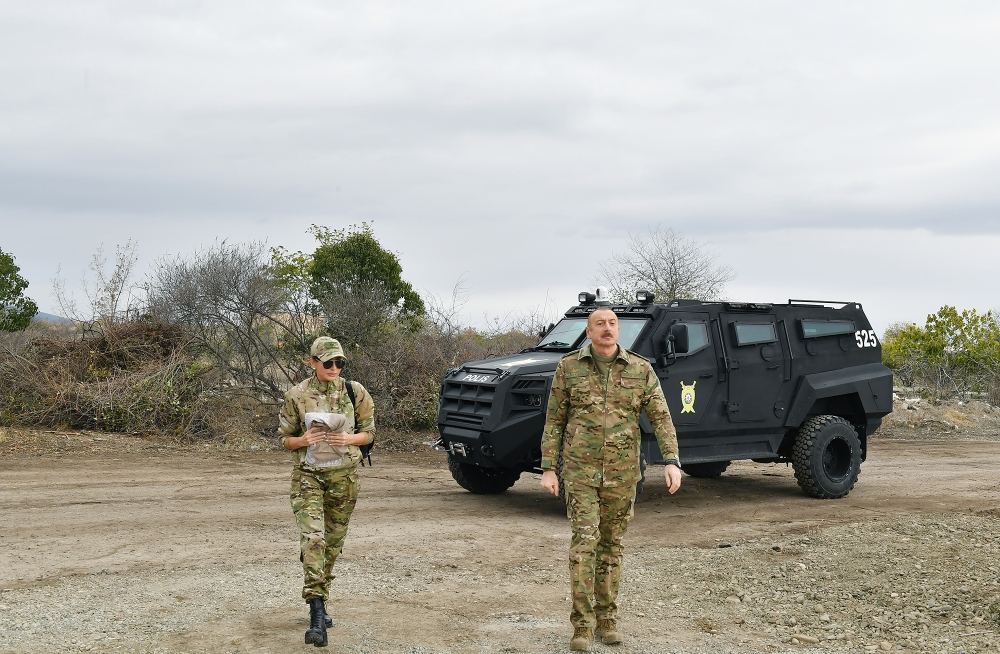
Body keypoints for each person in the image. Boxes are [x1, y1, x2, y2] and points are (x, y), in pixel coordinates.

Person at [539, 308, 682, 652]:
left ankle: (607, 620)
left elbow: (661, 417)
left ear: (619, 330)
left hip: (622, 474)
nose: (607, 328)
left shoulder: (640, 369)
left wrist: (671, 461)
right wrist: (548, 468)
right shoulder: (569, 368)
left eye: (612, 323)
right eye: (600, 324)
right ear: (588, 332)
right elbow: (554, 420)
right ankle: (582, 626)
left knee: (611, 547)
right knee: (584, 545)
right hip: (580, 474)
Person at [278, 336, 375, 648]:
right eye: (328, 362)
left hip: (344, 479)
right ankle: (316, 613)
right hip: (308, 477)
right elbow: (284, 439)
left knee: (331, 544)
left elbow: (369, 433)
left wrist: (349, 439)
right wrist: (303, 440)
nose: (334, 368)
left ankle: (322, 594)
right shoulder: (297, 395)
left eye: (339, 362)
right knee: (314, 539)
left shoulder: (355, 391)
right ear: (312, 363)